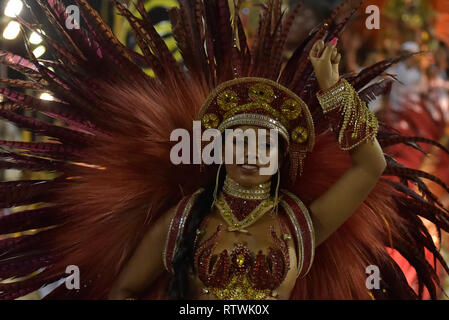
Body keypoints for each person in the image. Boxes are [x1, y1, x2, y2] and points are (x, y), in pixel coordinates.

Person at [0, 0, 448, 300]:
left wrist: (333, 90)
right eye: (240, 141)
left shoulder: (299, 222)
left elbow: (369, 165)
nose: (252, 153)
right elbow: (124, 291)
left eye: (265, 143)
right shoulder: (186, 218)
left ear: (280, 156)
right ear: (217, 150)